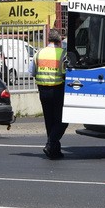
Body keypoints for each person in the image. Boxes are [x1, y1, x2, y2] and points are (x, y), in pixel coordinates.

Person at [34, 28, 69, 159]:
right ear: (59, 40)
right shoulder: (63, 54)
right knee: (62, 121)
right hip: (57, 90)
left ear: (48, 40)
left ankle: (54, 151)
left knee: (49, 121)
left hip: (43, 91)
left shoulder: (39, 53)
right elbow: (66, 73)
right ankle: (50, 145)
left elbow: (32, 72)